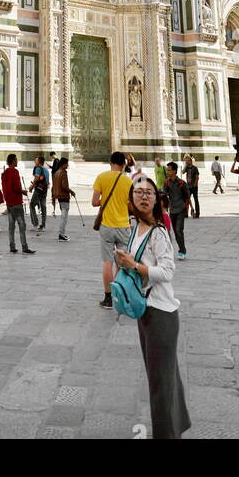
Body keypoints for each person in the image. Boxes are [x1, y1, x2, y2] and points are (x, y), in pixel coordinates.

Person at [115, 175, 191, 440]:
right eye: (139, 192)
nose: (144, 196)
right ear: (131, 199)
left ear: (156, 199)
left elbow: (167, 271)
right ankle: (176, 427)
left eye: (149, 193)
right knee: (165, 377)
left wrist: (133, 265)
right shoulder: (136, 228)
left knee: (160, 382)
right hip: (145, 309)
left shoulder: (158, 231)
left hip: (161, 312)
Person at [92, 151, 134, 309]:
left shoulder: (102, 177)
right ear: (124, 165)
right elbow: (130, 205)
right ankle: (119, 294)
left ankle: (108, 298)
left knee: (107, 263)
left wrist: (106, 201)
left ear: (110, 163)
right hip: (123, 226)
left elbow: (95, 202)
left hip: (107, 226)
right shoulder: (128, 181)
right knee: (122, 264)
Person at [1, 154, 35, 255]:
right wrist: (23, 191)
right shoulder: (14, 172)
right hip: (16, 202)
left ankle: (12, 246)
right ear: (12, 161)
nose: (17, 162)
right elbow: (15, 187)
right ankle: (24, 246)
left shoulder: (4, 173)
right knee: (22, 225)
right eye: (16, 160)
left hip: (9, 202)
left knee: (11, 226)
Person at [163, 162, 190, 259]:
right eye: (167, 170)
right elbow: (164, 196)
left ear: (174, 171)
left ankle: (182, 251)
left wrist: (190, 209)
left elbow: (187, 197)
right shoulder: (166, 182)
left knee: (179, 230)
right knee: (174, 231)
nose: (167, 171)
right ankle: (178, 249)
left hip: (181, 209)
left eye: (169, 170)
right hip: (172, 209)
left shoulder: (181, 183)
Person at [53, 156, 73, 241]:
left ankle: (61, 233)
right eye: (67, 164)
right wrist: (71, 191)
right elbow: (64, 186)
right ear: (63, 164)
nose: (68, 165)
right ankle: (61, 234)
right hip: (64, 196)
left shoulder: (57, 172)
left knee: (63, 215)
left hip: (58, 196)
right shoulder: (63, 172)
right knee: (64, 217)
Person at [29, 154, 50, 233]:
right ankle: (43, 225)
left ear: (39, 162)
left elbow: (37, 178)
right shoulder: (46, 170)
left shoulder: (38, 168)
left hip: (38, 190)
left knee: (32, 205)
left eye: (36, 160)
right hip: (44, 190)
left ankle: (35, 224)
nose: (34, 161)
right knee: (43, 207)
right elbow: (47, 182)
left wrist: (31, 187)